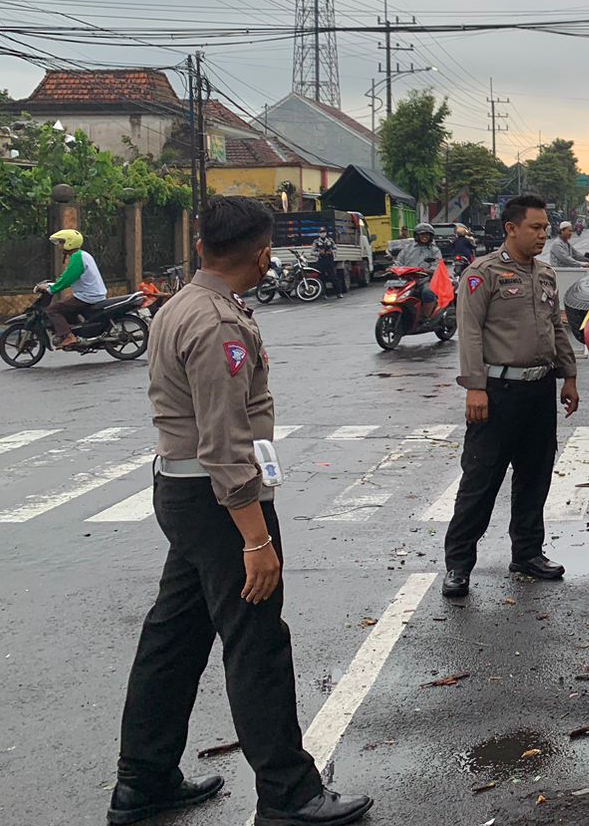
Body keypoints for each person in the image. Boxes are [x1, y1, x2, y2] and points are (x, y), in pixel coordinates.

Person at [109, 196, 370, 826]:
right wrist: (255, 537)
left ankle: (143, 782)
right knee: (256, 644)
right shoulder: (219, 325)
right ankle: (289, 793)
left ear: (200, 247)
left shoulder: (179, 305)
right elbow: (225, 442)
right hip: (220, 502)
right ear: (260, 254)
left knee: (173, 637)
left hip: (184, 492)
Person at [442, 194, 579, 596]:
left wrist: (568, 376)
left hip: (538, 391)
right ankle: (459, 564)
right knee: (480, 481)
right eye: (535, 228)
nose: (543, 234)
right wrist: (475, 388)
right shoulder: (481, 274)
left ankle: (527, 552)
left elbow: (557, 327)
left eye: (545, 228)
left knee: (535, 476)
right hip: (496, 392)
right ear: (511, 229)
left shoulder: (546, 274)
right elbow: (468, 333)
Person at [46, 228, 109, 349]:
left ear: (69, 242)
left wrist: (52, 289)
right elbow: (67, 276)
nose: (59, 245)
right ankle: (78, 332)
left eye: (61, 242)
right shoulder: (83, 255)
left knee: (53, 310)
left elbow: (69, 278)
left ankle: (68, 336)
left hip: (87, 296)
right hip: (93, 294)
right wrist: (54, 284)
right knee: (67, 307)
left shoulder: (77, 257)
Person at [396, 222, 445, 317]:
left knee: (428, 292)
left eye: (427, 234)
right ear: (417, 236)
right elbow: (399, 261)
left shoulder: (434, 250)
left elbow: (437, 265)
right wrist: (393, 268)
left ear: (431, 236)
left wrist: (428, 270)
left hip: (426, 280)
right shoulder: (407, 248)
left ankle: (426, 317)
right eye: (422, 234)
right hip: (407, 280)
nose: (424, 237)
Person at [311, 231, 342, 299]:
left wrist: (331, 252)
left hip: (329, 261)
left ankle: (338, 293)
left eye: (324, 232)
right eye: (321, 232)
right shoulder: (316, 242)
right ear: (319, 234)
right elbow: (312, 252)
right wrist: (319, 253)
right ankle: (323, 294)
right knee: (321, 278)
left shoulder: (330, 240)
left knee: (333, 277)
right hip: (321, 261)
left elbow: (335, 248)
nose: (323, 234)